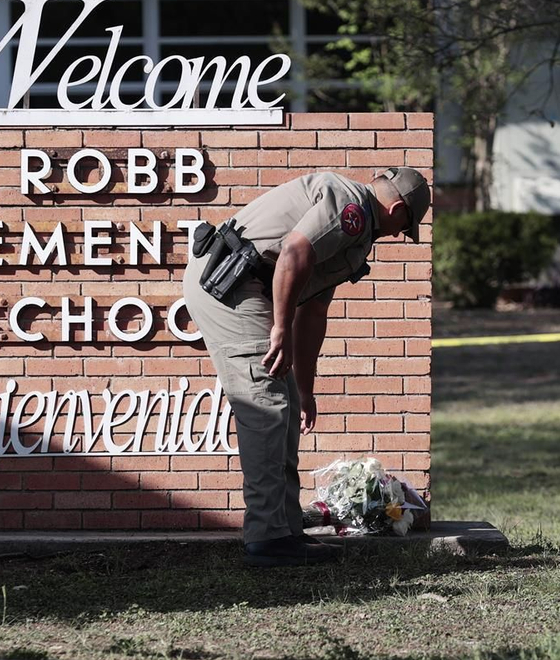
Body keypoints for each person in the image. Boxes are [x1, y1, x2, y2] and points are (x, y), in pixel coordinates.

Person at [182, 167, 430, 567]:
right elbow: (294, 253)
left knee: (286, 403)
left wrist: (306, 389)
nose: (400, 234)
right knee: (266, 405)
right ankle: (267, 538)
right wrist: (280, 327)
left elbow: (314, 312)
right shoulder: (350, 208)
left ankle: (284, 529)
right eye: (405, 226)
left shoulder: (356, 232)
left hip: (252, 286)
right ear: (398, 208)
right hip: (229, 285)